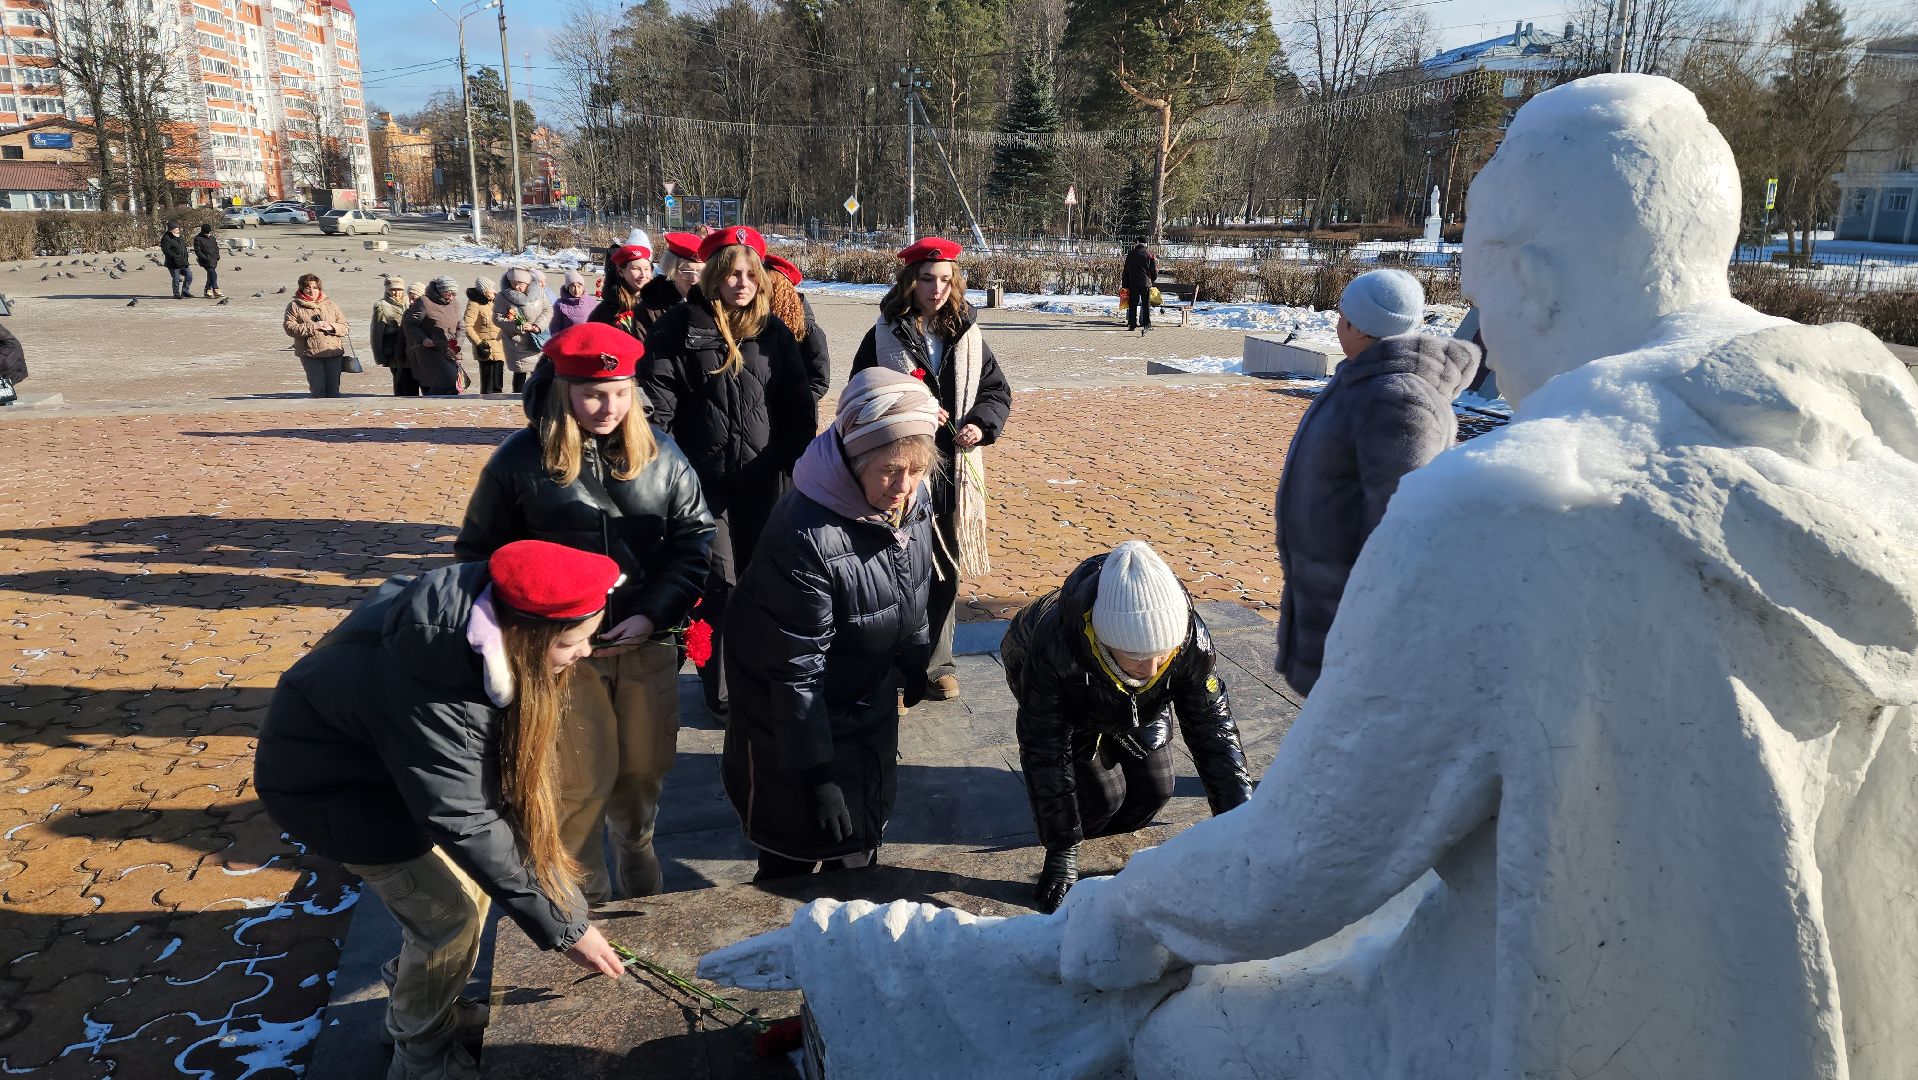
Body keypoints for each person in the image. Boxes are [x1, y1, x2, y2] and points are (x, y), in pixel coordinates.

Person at [703, 74, 1918, 1080]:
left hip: (1539, 1022)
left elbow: (1303, 863)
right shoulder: (1882, 458)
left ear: (1532, 278)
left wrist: (1098, 925)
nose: (1482, 333)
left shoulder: (1520, 501)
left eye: (1485, 296)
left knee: (1180, 1038)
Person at [256, 539, 629, 1080]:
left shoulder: (473, 623)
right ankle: (420, 1056)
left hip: (386, 774)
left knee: (473, 890)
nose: (585, 653)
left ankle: (422, 1001)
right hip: (336, 795)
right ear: (527, 635)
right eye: (572, 643)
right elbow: (467, 816)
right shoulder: (432, 687)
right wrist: (569, 927)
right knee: (446, 918)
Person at [456, 323, 714, 902]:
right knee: (575, 790)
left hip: (641, 644)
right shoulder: (519, 462)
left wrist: (653, 613)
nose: (609, 407)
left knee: (641, 779)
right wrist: (530, 631)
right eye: (594, 393)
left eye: (621, 392)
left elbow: (694, 540)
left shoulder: (663, 455)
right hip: (562, 656)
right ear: (564, 391)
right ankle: (583, 911)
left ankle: (640, 872)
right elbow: (478, 557)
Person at [722, 367, 937, 879]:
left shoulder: (911, 501)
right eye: (887, 470)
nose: (901, 486)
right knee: (792, 857)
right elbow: (796, 672)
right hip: (789, 723)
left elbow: (914, 581)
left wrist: (914, 656)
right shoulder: (805, 533)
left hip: (865, 703)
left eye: (914, 469)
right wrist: (816, 776)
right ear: (852, 458)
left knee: (859, 852)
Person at [1002, 540, 1254, 913]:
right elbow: (1045, 748)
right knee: (1102, 800)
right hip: (1064, 688)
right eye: (1137, 656)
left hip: (1133, 702)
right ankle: (1085, 828)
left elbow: (1214, 732)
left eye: (1161, 655)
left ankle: (1116, 735)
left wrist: (1242, 832)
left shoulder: (1189, 643)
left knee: (1155, 790)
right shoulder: (1054, 649)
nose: (1151, 668)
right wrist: (1062, 850)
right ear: (1104, 639)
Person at [1272, 268, 1478, 696]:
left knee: (1344, 719)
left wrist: (1372, 608)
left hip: (1354, 604)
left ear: (1359, 326)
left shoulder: (1395, 397)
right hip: (1328, 591)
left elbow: (1401, 521)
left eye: (1342, 316)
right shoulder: (1364, 378)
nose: (1335, 324)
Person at [642, 225, 816, 724]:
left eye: (749, 274)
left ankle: (761, 673)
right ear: (714, 276)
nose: (741, 283)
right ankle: (721, 687)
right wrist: (672, 473)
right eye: (732, 273)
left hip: (765, 481)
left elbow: (797, 406)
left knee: (765, 579)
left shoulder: (773, 332)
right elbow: (656, 409)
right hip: (702, 485)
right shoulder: (678, 328)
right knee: (721, 581)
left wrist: (801, 464)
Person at [850, 237, 1012, 703]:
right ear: (910, 280)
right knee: (896, 570)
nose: (936, 289)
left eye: (945, 280)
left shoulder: (968, 331)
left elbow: (996, 392)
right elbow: (861, 392)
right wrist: (913, 407)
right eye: (926, 279)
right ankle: (894, 672)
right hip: (901, 470)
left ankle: (937, 663)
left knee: (944, 568)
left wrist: (981, 425)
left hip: (956, 473)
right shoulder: (885, 332)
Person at [763, 253, 830, 399]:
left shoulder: (809, 330)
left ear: (779, 291)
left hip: (796, 415)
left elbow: (820, 381)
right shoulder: (757, 322)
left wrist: (796, 405)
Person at [590, 242, 678, 341]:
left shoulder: (662, 304)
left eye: (646, 269)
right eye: (636, 269)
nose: (643, 275)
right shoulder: (607, 310)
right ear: (620, 272)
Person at [283, 273, 351, 398]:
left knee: (333, 390)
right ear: (301, 289)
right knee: (318, 388)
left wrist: (332, 327)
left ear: (319, 289)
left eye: (315, 288)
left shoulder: (331, 305)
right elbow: (289, 328)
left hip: (333, 352)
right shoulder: (294, 306)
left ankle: (332, 415)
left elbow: (345, 327)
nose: (311, 291)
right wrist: (314, 326)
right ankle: (319, 414)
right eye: (308, 287)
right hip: (310, 354)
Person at [404, 276, 465, 396]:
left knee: (452, 386)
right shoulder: (424, 302)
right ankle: (432, 409)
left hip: (450, 351)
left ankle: (447, 411)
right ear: (439, 291)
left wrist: (456, 347)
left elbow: (461, 327)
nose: (451, 297)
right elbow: (409, 324)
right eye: (448, 293)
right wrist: (423, 339)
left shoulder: (454, 304)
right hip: (430, 350)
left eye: (453, 293)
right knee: (443, 382)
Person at [496, 267, 553, 395]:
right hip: (516, 341)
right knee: (520, 373)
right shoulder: (503, 296)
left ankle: (537, 399)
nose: (516, 287)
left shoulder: (539, 292)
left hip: (537, 339)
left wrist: (536, 326)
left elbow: (548, 309)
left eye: (520, 284)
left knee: (538, 372)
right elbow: (497, 318)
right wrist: (517, 325)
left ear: (527, 282)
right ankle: (518, 399)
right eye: (513, 283)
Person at [372, 276, 419, 397]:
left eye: (399, 289)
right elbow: (376, 332)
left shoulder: (410, 302)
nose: (396, 292)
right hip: (392, 350)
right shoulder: (381, 306)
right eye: (392, 289)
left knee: (413, 378)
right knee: (400, 379)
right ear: (387, 289)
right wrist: (379, 355)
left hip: (410, 348)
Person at [463, 277, 505, 395]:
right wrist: (479, 343)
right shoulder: (474, 304)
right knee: (488, 385)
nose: (494, 291)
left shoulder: (495, 303)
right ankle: (486, 407)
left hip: (499, 346)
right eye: (491, 289)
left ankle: (497, 409)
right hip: (485, 347)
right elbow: (467, 326)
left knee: (498, 385)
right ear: (484, 291)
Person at [1122, 237, 1157, 333]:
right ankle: (1146, 324)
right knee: (1145, 304)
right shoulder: (1149, 255)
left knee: (1133, 304)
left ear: (1137, 243)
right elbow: (1154, 271)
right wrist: (1150, 281)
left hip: (1133, 283)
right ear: (1145, 244)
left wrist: (1125, 285)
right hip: (1145, 283)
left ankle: (1132, 324)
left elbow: (1126, 271)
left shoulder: (1131, 254)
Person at [656, 232, 704, 302]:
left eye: (700, 272)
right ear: (671, 269)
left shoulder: (714, 304)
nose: (694, 279)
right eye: (687, 271)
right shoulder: (653, 306)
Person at [548, 269, 595, 337]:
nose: (576, 290)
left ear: (583, 287)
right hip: (569, 341)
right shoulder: (559, 304)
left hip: (587, 340)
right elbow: (555, 327)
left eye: (579, 286)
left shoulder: (591, 301)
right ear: (567, 288)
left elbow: (597, 323)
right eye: (573, 287)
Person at [161, 223, 192, 300]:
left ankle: (185, 291)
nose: (178, 231)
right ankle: (176, 293)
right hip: (173, 262)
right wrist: (175, 256)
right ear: (171, 230)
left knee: (189, 275)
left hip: (183, 261)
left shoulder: (179, 237)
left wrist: (185, 255)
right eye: (176, 229)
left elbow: (183, 247)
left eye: (178, 229)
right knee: (176, 278)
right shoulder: (166, 238)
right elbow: (166, 250)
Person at [193, 223, 222, 299]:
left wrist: (217, 256)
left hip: (213, 259)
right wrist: (204, 258)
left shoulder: (212, 238)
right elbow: (198, 251)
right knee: (213, 273)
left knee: (210, 275)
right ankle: (215, 289)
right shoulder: (198, 238)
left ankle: (207, 290)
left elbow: (216, 248)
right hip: (205, 260)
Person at [0, 319, 25, 406]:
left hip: (7, 354)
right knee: (4, 385)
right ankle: (6, 404)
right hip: (9, 354)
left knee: (3, 385)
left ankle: (6, 406)